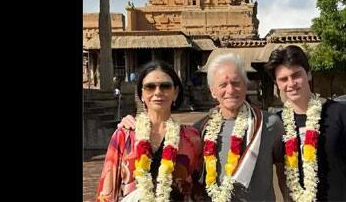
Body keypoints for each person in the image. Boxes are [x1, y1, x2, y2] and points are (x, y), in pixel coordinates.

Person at [119, 53, 285, 201]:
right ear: (213, 91)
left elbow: (283, 173)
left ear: (245, 85)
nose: (230, 90)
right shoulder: (199, 130)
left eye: (236, 83)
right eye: (223, 85)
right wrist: (129, 123)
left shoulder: (270, 123)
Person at [265, 45, 346, 202]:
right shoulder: (278, 123)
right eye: (283, 79)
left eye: (296, 75)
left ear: (309, 74)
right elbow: (281, 172)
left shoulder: (342, 115)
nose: (291, 84)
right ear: (276, 83)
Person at [95, 60, 203, 202]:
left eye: (165, 86)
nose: (158, 92)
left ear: (175, 93)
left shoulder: (191, 138)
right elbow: (106, 193)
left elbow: (198, 189)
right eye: (150, 87)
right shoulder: (124, 136)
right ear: (142, 94)